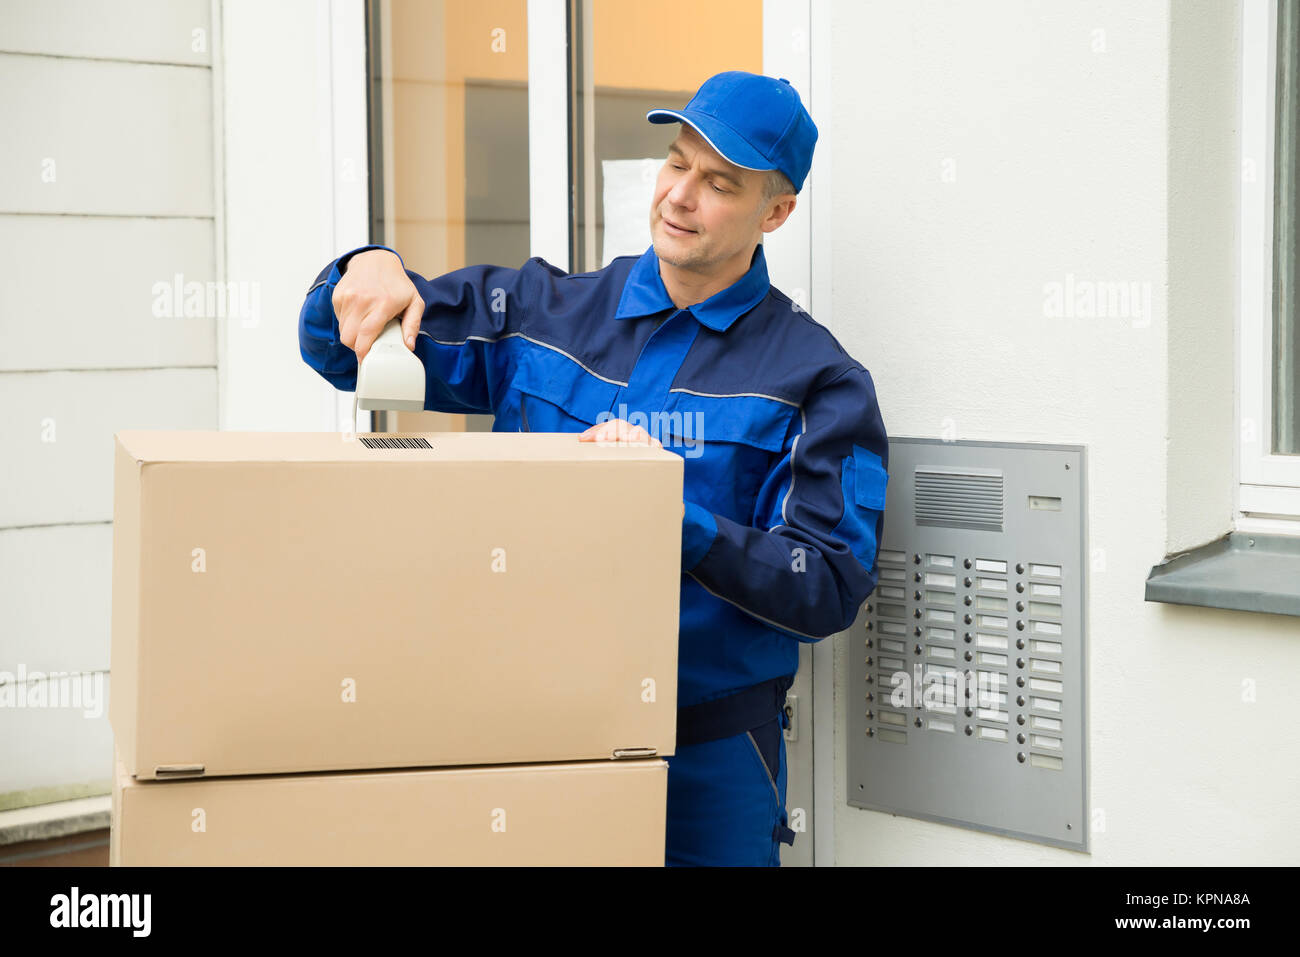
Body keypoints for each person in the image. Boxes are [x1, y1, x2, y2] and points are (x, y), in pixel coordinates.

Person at [298, 70, 889, 866]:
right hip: (524, 731)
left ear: (774, 212)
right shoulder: (543, 312)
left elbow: (826, 586)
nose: (680, 195)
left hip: (709, 757)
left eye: (719, 183)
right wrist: (364, 267)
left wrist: (672, 519)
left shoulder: (819, 381)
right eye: (677, 163)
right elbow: (344, 348)